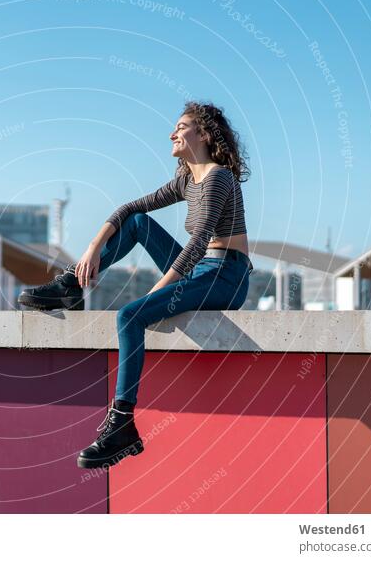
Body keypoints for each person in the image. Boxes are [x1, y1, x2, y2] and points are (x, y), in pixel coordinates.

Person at [18, 101, 253, 469]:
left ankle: (122, 423)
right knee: (139, 222)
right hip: (202, 270)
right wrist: (91, 251)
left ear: (204, 134)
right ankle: (73, 287)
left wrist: (157, 291)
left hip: (226, 276)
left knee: (130, 316)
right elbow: (127, 210)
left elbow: (198, 240)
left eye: (181, 126)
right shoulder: (186, 181)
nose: (172, 133)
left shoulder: (217, 177)